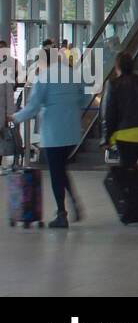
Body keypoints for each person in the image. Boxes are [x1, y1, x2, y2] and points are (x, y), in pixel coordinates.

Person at [11, 46, 87, 227]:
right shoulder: (73, 73)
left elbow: (33, 106)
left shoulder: (43, 77)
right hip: (72, 131)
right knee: (61, 169)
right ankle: (73, 202)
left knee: (56, 173)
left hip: (53, 133)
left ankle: (62, 213)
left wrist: (15, 118)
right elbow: (84, 97)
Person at [101, 51, 138, 169]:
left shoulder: (113, 84)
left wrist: (106, 137)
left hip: (124, 134)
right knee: (135, 166)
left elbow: (109, 113)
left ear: (117, 67)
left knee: (126, 167)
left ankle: (134, 185)